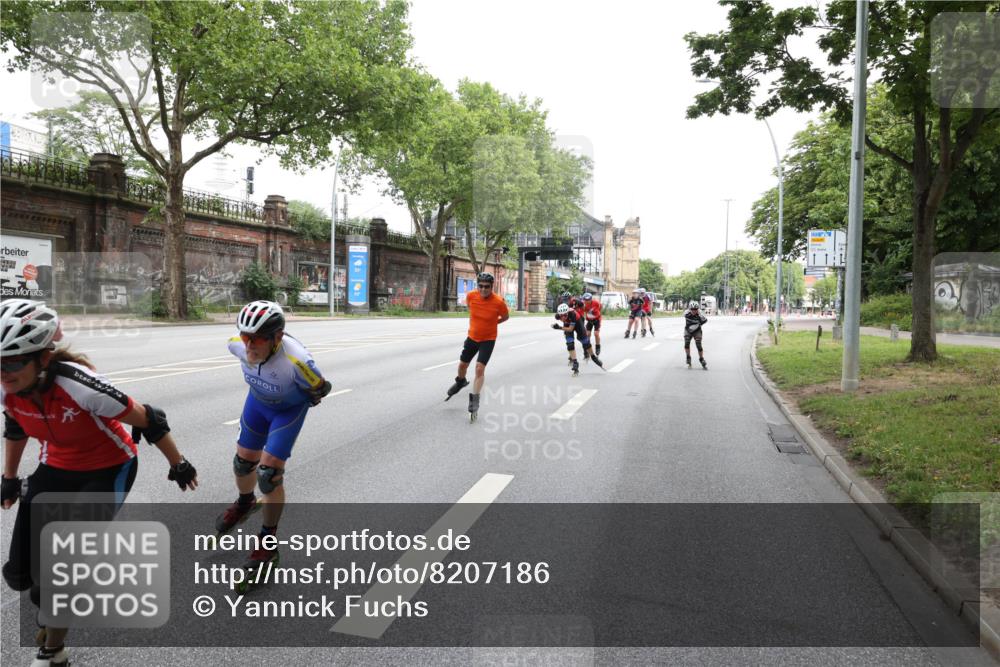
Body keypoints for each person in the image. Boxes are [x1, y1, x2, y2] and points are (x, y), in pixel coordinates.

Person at [0, 299, 197, 667]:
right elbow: (15, 427)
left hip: (108, 468)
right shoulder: (6, 389)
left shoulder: (82, 387)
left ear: (43, 359)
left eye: (12, 362)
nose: (4, 374)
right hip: (55, 467)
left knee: (62, 567)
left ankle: (53, 651)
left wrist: (179, 464)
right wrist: (9, 479)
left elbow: (149, 420)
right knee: (20, 575)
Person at [220, 300, 331, 574]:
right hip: (257, 404)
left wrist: (312, 396)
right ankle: (245, 502)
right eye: (245, 336)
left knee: (269, 475)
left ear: (277, 337)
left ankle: (267, 541)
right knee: (242, 464)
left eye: (256, 339)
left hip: (286, 412)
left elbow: (321, 387)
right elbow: (241, 344)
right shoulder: (235, 344)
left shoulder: (298, 361)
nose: (248, 345)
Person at [445, 272, 509, 417]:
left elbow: (505, 317)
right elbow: (471, 309)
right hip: (472, 337)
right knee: (462, 365)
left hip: (488, 339)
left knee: (479, 369)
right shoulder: (471, 296)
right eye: (480, 286)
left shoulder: (499, 302)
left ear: (492, 286)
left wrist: (494, 323)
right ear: (477, 285)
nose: (483, 289)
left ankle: (475, 399)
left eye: (487, 287)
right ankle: (461, 381)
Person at [553, 303, 603, 375]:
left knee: (585, 342)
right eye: (561, 316)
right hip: (568, 324)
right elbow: (567, 329)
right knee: (570, 344)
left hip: (577, 322)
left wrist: (559, 327)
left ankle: (593, 357)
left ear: (567, 313)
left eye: (565, 315)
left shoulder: (572, 314)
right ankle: (575, 362)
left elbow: (570, 329)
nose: (563, 317)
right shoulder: (558, 316)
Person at [683, 300, 708, 369]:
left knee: (698, 345)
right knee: (687, 343)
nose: (694, 311)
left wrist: (700, 316)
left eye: (695, 309)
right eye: (692, 309)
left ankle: (701, 359)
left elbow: (705, 320)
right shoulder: (686, 313)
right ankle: (688, 357)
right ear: (689, 309)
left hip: (697, 330)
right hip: (688, 330)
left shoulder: (700, 314)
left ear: (698, 309)